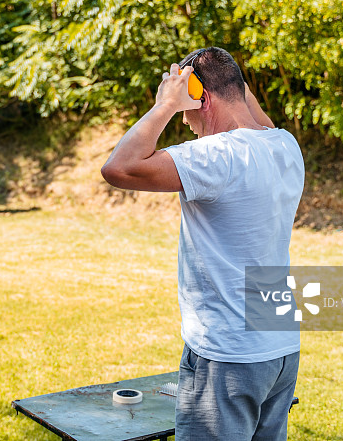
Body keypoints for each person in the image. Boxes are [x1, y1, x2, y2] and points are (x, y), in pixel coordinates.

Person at [101, 47, 304, 441]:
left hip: (228, 355)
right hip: (280, 347)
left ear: (202, 99)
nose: (187, 122)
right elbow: (246, 107)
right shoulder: (284, 145)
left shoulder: (216, 157)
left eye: (187, 111)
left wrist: (164, 105)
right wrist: (221, 76)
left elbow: (118, 168)